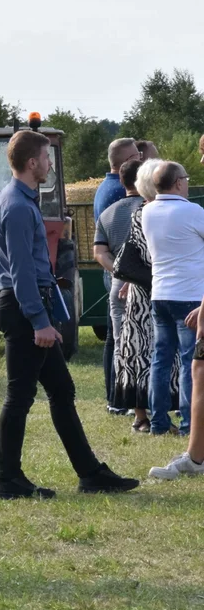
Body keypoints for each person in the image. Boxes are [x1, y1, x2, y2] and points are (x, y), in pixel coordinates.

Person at [0, 129, 137, 499]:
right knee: (19, 396)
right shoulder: (19, 206)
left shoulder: (16, 199)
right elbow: (22, 271)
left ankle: (90, 473)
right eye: (46, 158)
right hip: (26, 309)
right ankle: (7, 480)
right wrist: (39, 322)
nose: (51, 164)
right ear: (32, 162)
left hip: (27, 305)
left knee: (62, 390)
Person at [141, 160, 204, 437]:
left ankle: (158, 422)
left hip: (160, 293)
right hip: (189, 294)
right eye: (186, 179)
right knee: (192, 361)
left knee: (161, 359)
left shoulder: (147, 212)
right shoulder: (192, 211)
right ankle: (190, 423)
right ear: (178, 182)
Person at [113, 160, 177, 431]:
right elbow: (154, 256)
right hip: (155, 290)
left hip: (140, 292)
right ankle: (152, 417)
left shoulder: (139, 211)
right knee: (155, 354)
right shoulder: (155, 212)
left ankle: (141, 416)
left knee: (137, 354)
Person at [93, 159, 144, 416]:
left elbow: (99, 251)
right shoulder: (148, 209)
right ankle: (144, 405)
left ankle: (118, 400)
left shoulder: (108, 213)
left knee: (121, 344)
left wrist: (118, 272)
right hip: (146, 287)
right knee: (148, 345)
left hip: (117, 285)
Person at [93, 138, 137, 222]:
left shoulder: (104, 185)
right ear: (129, 161)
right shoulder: (124, 189)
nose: (141, 159)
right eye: (138, 155)